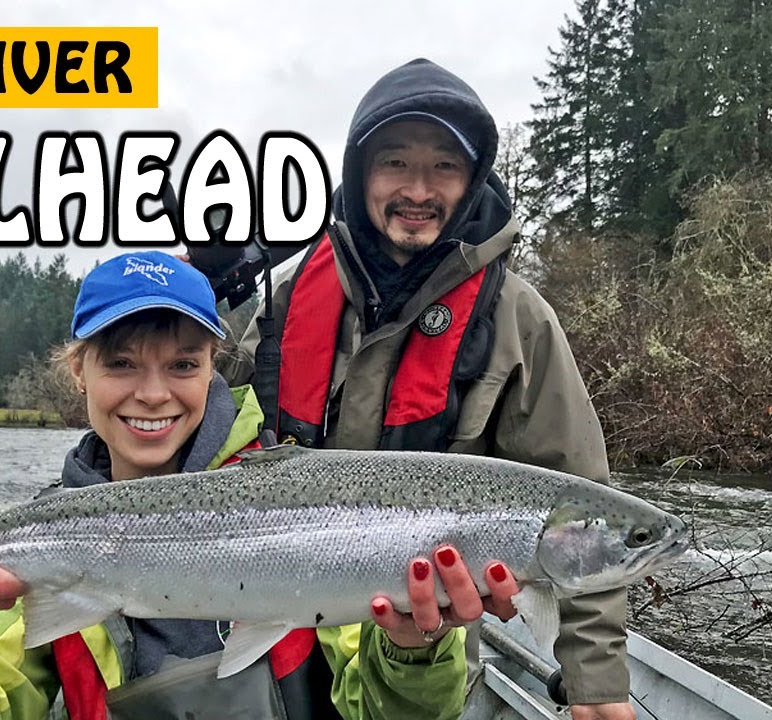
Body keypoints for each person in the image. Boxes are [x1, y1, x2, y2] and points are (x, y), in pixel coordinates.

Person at [0, 250, 520, 720]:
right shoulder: (45, 540)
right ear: (78, 372)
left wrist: (414, 648)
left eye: (183, 363)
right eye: (122, 363)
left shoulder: (312, 507)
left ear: (214, 369)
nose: (154, 392)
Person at [219, 58, 636, 719]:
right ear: (361, 179)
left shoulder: (518, 320)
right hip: (282, 611)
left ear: (472, 181)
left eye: (443, 166)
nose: (419, 189)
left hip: (426, 653)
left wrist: (597, 687)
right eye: (395, 164)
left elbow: (577, 517)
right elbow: (205, 421)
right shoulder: (291, 296)